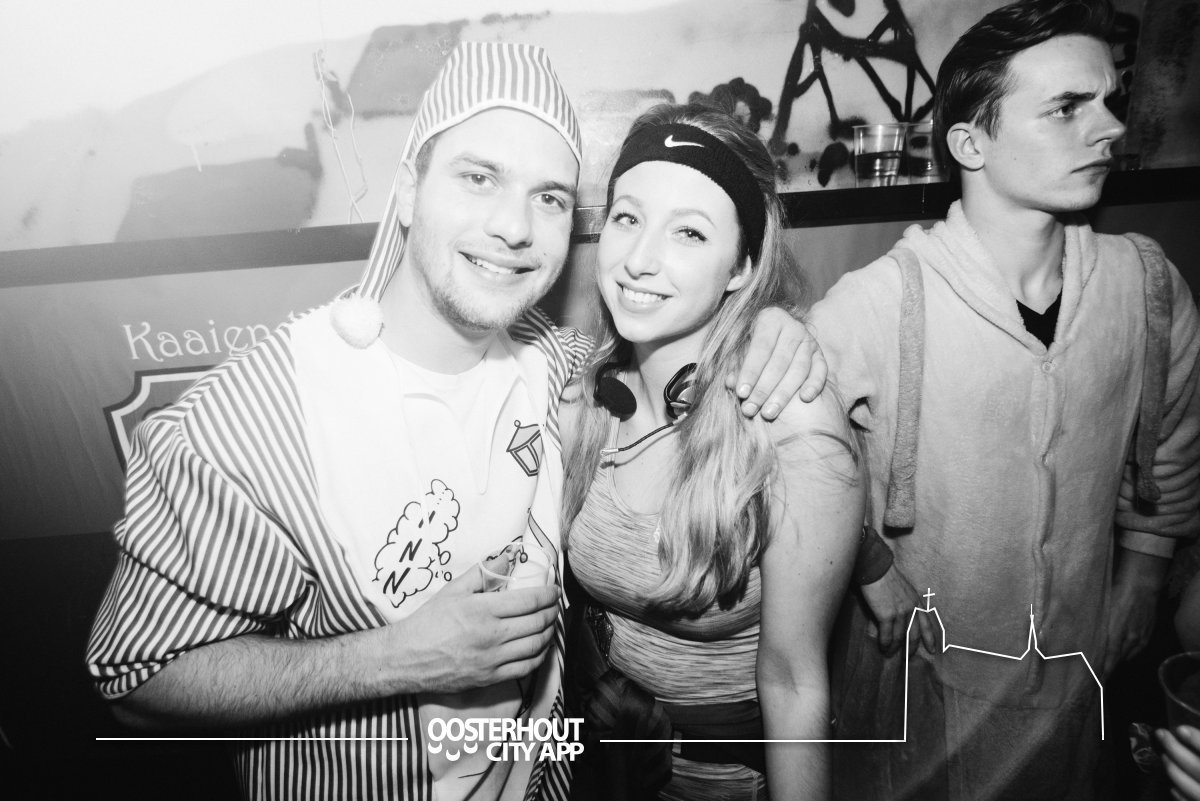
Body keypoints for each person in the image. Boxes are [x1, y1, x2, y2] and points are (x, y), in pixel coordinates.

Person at [85, 42, 824, 801]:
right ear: (409, 189)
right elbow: (136, 679)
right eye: (479, 177)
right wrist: (395, 658)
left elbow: (682, 360)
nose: (514, 225)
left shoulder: (558, 369)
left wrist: (765, 326)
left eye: (549, 198)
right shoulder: (248, 425)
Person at [804, 1, 1200, 798]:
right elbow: (788, 469)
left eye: (1110, 101)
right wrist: (870, 562)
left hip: (1076, 677)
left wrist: (1143, 571)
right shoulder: (876, 305)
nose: (1110, 128)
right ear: (970, 144)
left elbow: (1173, 443)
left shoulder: (1147, 288)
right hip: (916, 687)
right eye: (1067, 107)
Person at [561, 103, 862, 801]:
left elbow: (794, 681)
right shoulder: (584, 397)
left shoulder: (787, 418)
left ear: (742, 266)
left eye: (690, 232)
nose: (640, 259)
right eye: (627, 217)